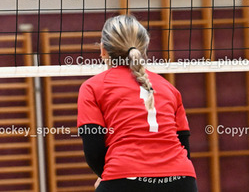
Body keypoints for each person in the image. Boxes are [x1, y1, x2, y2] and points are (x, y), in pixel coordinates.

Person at [77, 14, 198, 192]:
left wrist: (108, 176)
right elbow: (184, 146)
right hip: (182, 180)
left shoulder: (92, 87)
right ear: (144, 50)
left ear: (103, 50)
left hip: (125, 178)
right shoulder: (169, 88)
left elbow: (93, 149)